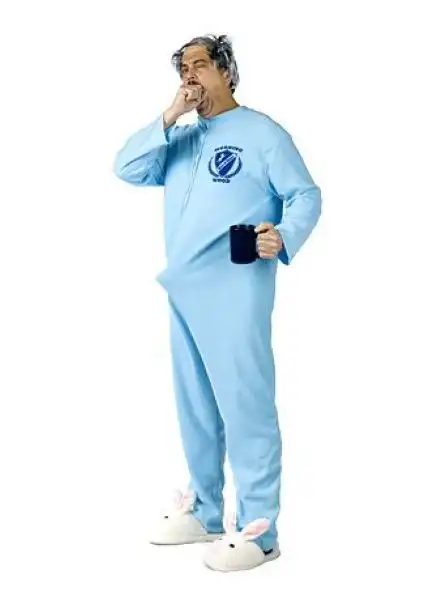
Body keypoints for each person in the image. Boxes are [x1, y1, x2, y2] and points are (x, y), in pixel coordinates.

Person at [113, 33, 322, 572]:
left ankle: (261, 530)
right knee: (196, 407)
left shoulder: (262, 133)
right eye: (182, 68)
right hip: (182, 290)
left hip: (235, 288)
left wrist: (284, 233)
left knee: (246, 405)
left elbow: (305, 194)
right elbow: (127, 167)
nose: (189, 75)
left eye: (200, 65)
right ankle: (206, 511)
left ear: (226, 71)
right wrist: (170, 114)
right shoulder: (180, 139)